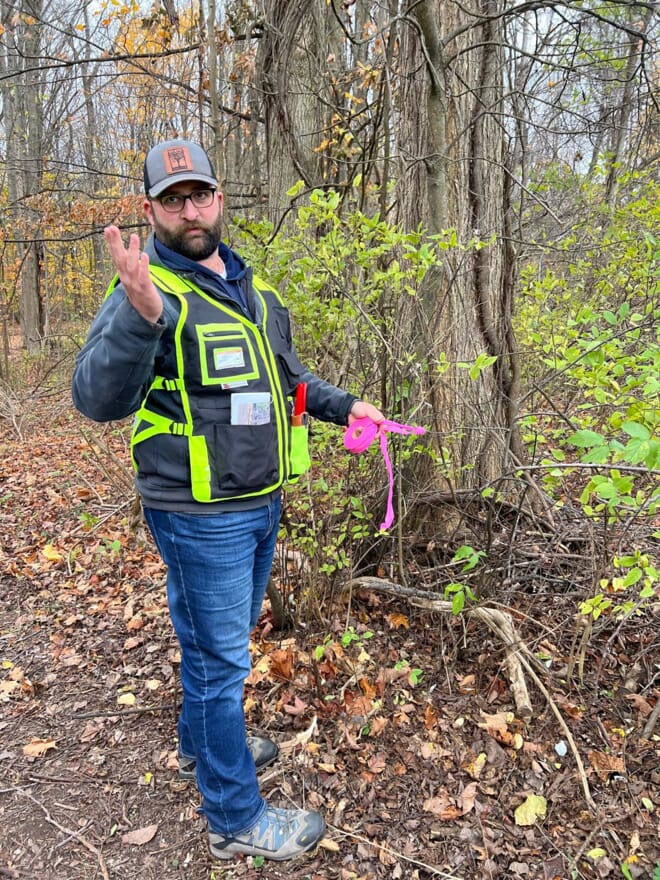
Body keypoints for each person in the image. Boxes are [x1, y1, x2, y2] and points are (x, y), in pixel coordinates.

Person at [72, 139, 384, 862]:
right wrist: (138, 311)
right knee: (220, 663)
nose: (190, 210)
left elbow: (289, 382)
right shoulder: (148, 290)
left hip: (260, 501)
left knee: (221, 644)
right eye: (173, 199)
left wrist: (347, 408)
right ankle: (235, 820)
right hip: (197, 512)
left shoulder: (254, 291)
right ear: (150, 209)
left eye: (200, 194)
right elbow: (96, 399)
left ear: (219, 198)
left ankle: (199, 749)